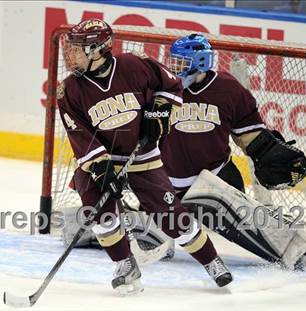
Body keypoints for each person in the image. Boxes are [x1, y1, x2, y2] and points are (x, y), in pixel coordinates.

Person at [57, 19, 233, 295]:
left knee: (171, 217)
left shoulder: (133, 65)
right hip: (100, 162)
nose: (72, 55)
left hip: (142, 156)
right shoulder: (69, 90)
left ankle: (212, 261)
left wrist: (161, 111)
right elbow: (79, 134)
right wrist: (102, 169)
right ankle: (125, 264)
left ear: (99, 49)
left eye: (79, 49)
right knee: (100, 212)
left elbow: (171, 86)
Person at [159, 33, 306, 269]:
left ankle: (297, 248)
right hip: (167, 183)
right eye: (174, 62)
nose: (175, 68)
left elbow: (249, 136)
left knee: (269, 237)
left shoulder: (227, 89)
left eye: (182, 62)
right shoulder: (161, 87)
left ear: (200, 62)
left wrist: (267, 152)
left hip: (214, 181)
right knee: (144, 237)